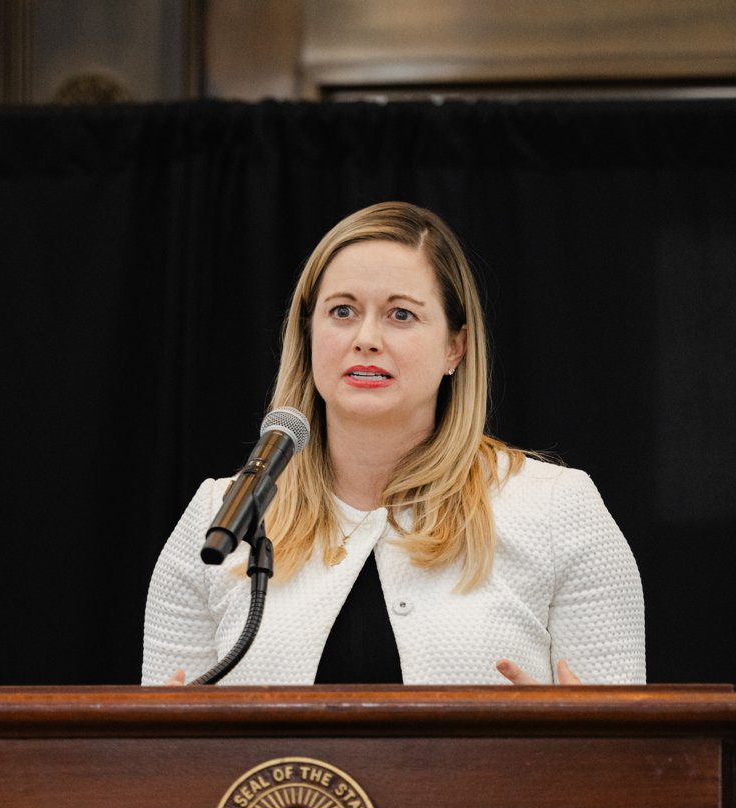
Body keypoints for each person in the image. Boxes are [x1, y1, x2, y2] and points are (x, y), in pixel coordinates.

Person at [141, 201, 644, 687]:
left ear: (455, 347)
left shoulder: (559, 509)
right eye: (342, 311)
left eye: (401, 315)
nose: (366, 338)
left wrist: (563, 735)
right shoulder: (221, 519)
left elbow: (628, 742)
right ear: (309, 334)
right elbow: (156, 738)